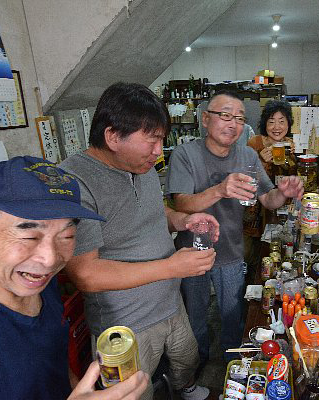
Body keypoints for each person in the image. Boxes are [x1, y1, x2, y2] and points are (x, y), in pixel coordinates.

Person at [0, 156, 149, 399]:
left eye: (66, 236)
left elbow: (52, 367)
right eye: (29, 237)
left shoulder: (38, 284)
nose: (50, 259)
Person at [60, 83, 218, 400]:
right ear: (113, 136)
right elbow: (86, 275)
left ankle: (185, 388)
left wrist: (182, 220)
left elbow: (152, 209)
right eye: (153, 139)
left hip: (169, 301)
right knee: (132, 391)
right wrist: (172, 267)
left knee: (186, 359)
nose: (159, 150)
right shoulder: (73, 181)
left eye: (161, 138)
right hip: (127, 322)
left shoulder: (141, 165)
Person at [165, 90, 304, 364]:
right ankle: (198, 364)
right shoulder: (185, 154)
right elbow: (181, 205)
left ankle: (232, 365)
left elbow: (269, 199)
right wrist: (220, 189)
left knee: (232, 313)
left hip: (231, 251)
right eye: (225, 116)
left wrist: (284, 192)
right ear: (205, 119)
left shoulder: (248, 155)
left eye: (239, 118)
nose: (233, 124)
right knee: (196, 315)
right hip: (192, 253)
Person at [244, 100, 295, 279]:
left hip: (279, 210)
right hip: (255, 211)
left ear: (288, 124)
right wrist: (260, 160)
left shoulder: (290, 145)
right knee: (250, 255)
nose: (277, 127)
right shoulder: (255, 143)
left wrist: (291, 159)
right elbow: (245, 175)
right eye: (271, 121)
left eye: (282, 121)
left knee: (275, 251)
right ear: (265, 123)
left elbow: (293, 176)